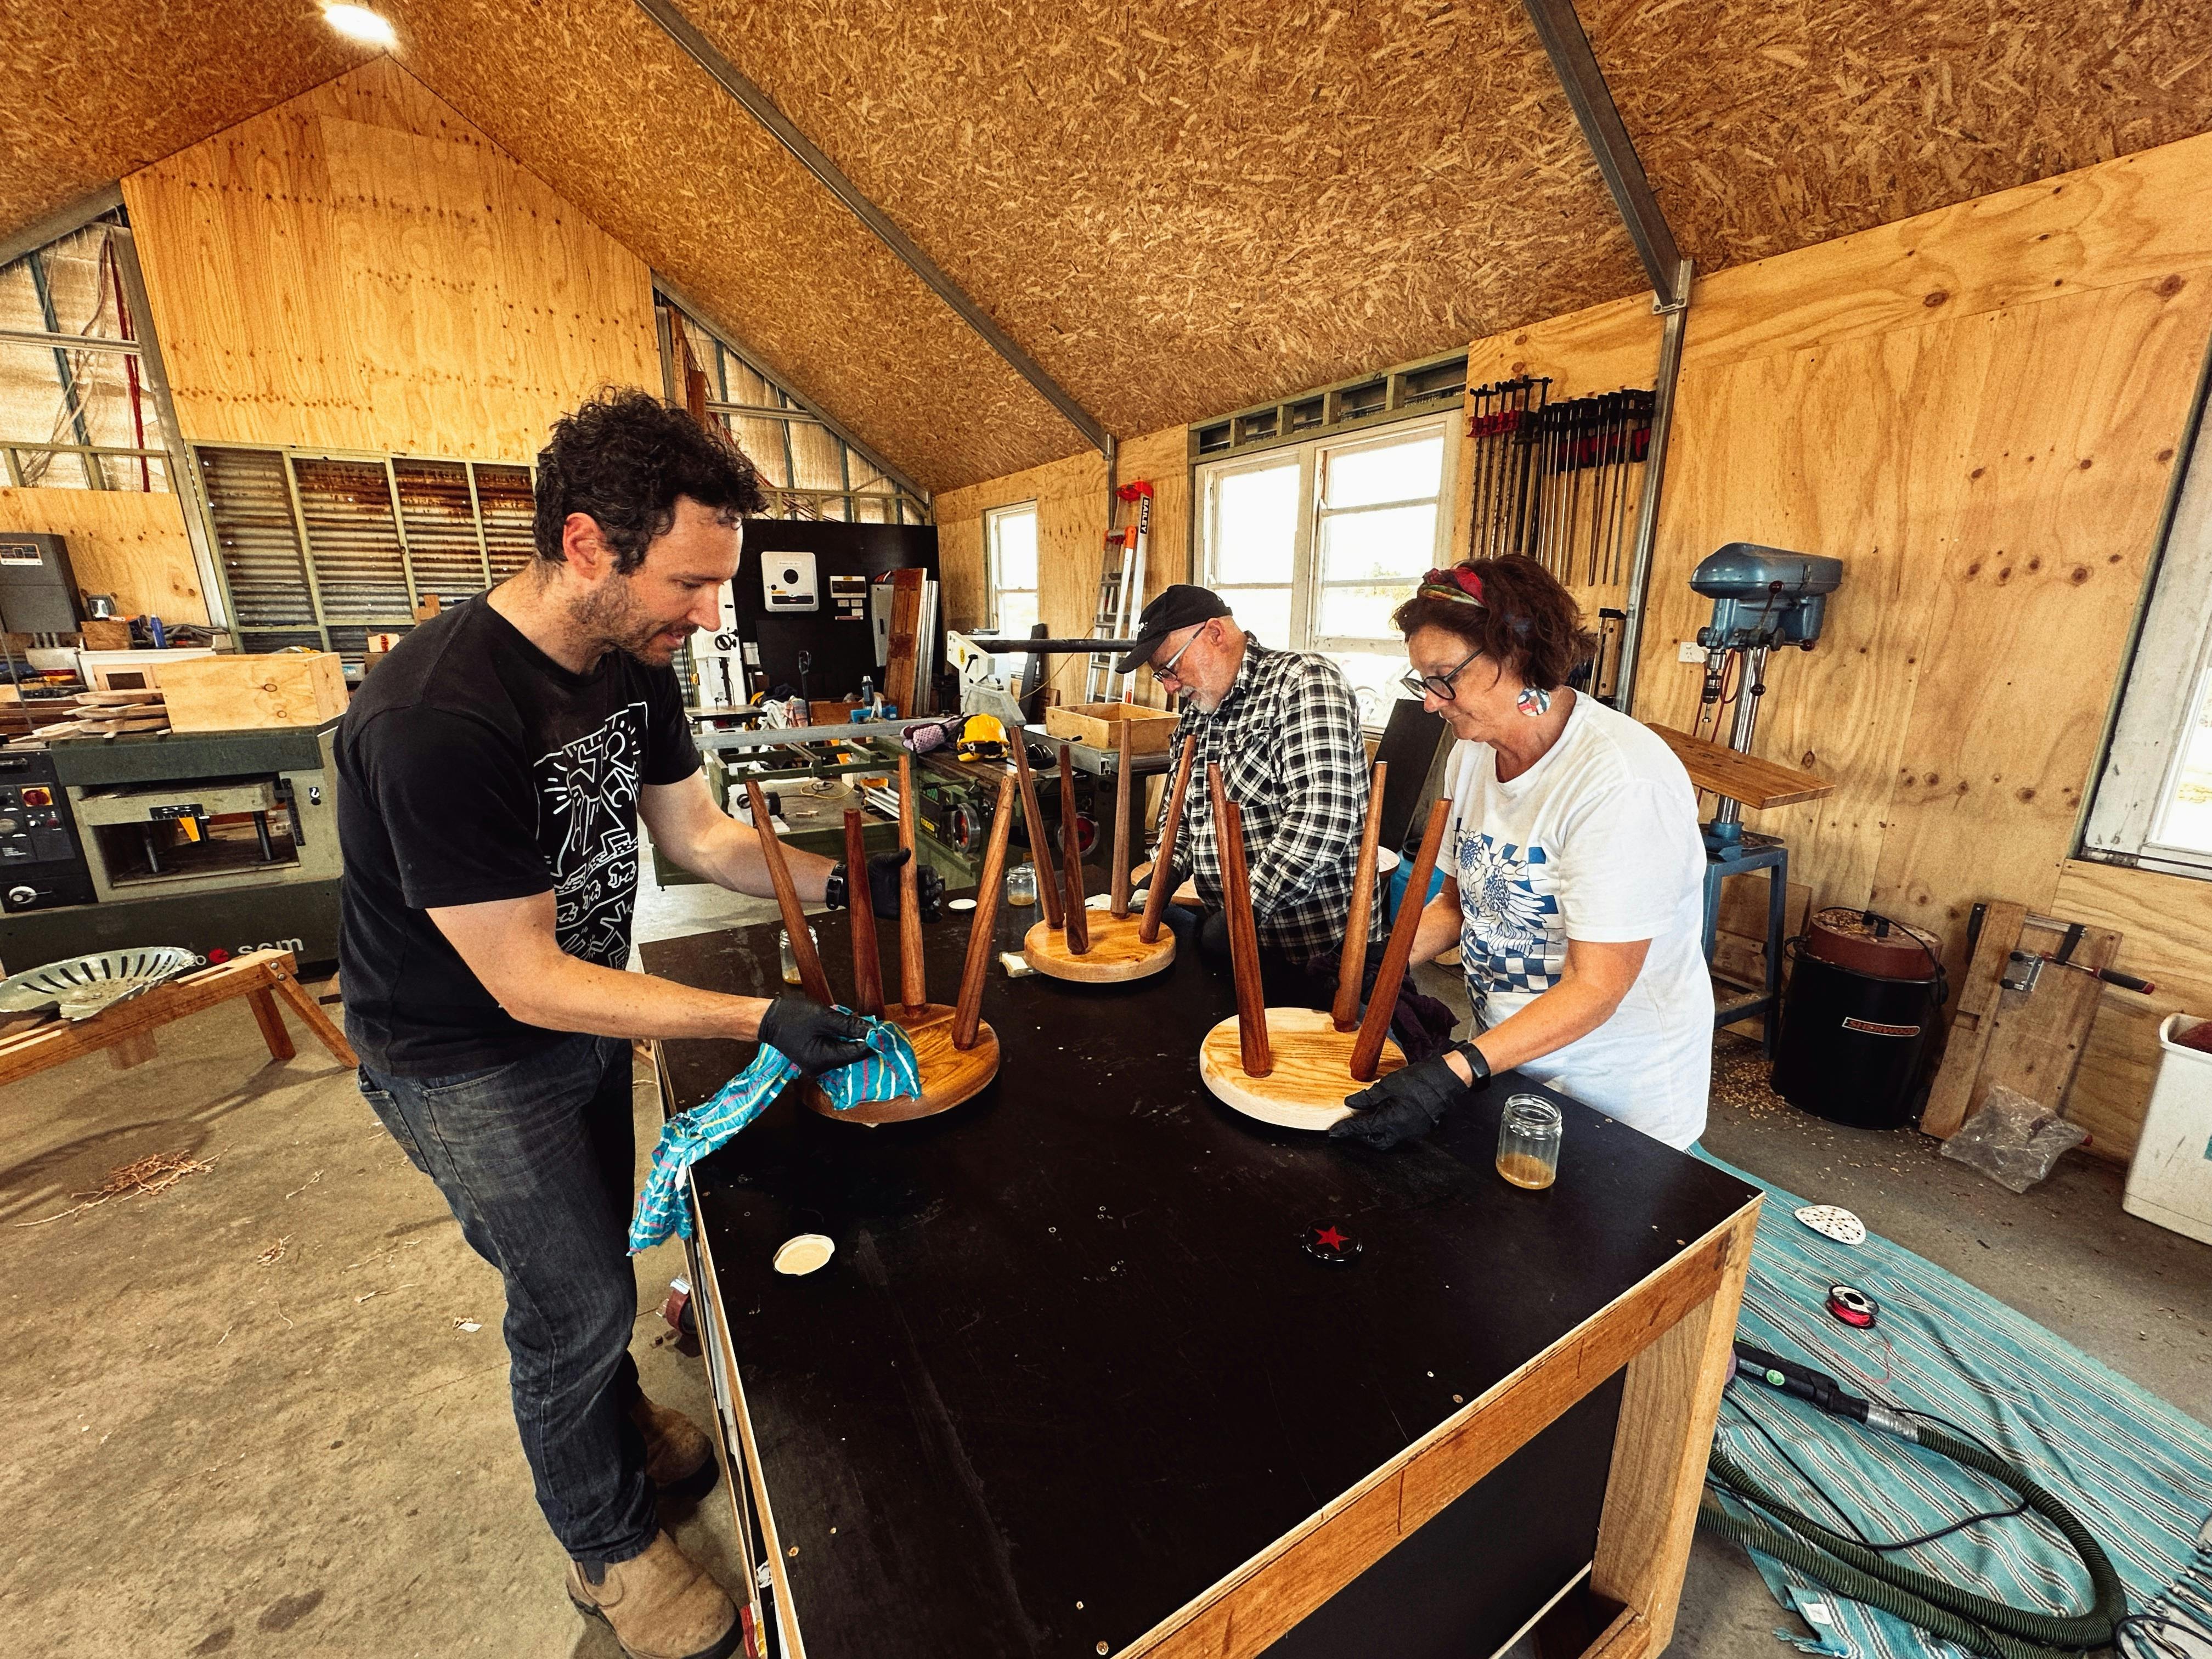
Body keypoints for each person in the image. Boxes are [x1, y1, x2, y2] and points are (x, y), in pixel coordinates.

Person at [338, 388, 938, 1659]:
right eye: (693, 582)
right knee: (566, 1311)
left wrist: (852, 875)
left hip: (578, 1023)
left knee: (598, 1265)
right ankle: (608, 1555)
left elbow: (698, 835)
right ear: (588, 544)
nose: (712, 614)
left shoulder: (629, 661)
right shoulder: (435, 715)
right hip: (465, 1059)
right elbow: (523, 977)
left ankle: (614, 1429)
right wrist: (758, 1013)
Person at [1330, 558, 1712, 1153]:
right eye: (1421, 681)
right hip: (1513, 1062)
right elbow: (1459, 904)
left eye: (1442, 677)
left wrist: (1455, 1071)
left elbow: (1597, 988)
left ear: (1514, 655)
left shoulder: (1620, 782)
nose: (1430, 703)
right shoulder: (1474, 754)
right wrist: (1384, 959)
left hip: (1615, 1096)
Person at [1118, 583, 1379, 997]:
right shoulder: (1198, 712)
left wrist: (1244, 911)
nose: (1169, 687)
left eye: (1170, 668)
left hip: (1316, 959)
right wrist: (1161, 875)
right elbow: (1182, 819)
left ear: (1215, 634)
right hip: (1236, 945)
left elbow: (1324, 817)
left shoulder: (1302, 683)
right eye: (1160, 674)